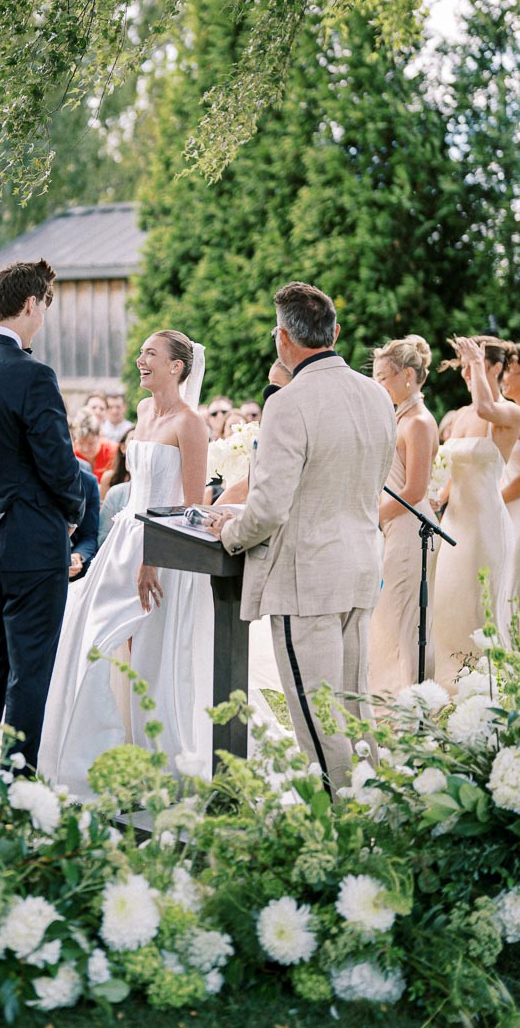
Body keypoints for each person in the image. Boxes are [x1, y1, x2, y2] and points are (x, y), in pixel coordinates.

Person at [208, 283, 395, 794]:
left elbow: (267, 509)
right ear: (334, 332)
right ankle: (377, 809)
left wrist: (230, 531)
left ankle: (343, 822)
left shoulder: (289, 403)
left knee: (318, 717)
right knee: (353, 710)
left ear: (283, 340)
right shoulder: (378, 395)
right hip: (360, 567)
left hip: (307, 576)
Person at [39, 331, 210, 798]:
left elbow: (191, 507)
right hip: (123, 543)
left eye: (150, 354)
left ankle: (153, 751)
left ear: (176, 366)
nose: (140, 360)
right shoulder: (145, 413)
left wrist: (154, 557)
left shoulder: (190, 424)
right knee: (90, 636)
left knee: (149, 652)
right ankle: (92, 751)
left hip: (163, 550)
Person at [0, 259, 85, 801]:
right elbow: (57, 463)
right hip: (30, 536)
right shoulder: (33, 374)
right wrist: (74, 507)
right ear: (31, 304)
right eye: (45, 305)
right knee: (31, 668)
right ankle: (17, 789)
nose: (44, 317)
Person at [432, 337, 520, 686]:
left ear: (495, 368)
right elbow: (453, 468)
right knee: (448, 603)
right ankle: (448, 684)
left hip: (485, 524)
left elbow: (486, 406)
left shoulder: (508, 412)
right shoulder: (464, 414)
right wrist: (439, 496)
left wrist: (476, 358)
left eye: (476, 364)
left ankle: (483, 687)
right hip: (454, 522)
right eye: (465, 365)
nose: (467, 371)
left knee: (476, 606)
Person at [369, 336, 440, 695]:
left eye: (383, 376)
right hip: (393, 526)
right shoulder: (400, 418)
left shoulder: (419, 423)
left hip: (411, 529)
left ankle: (402, 699)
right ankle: (385, 695)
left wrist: (374, 515)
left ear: (407, 375)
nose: (378, 384)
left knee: (402, 617)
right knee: (388, 615)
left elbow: (415, 490)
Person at [501, 345, 520, 604]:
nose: (503, 378)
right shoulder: (511, 415)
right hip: (506, 506)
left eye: (509, 372)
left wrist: (493, 500)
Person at [71, 406, 118, 483]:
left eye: (91, 444)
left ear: (99, 436)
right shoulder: (71, 455)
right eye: (81, 443)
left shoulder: (114, 452)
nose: (85, 449)